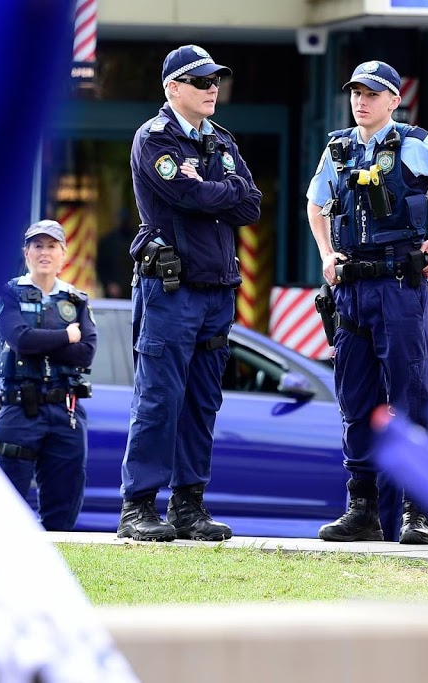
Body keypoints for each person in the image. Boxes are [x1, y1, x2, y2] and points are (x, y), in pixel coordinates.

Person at [306, 59, 428, 544]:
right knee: (355, 401)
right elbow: (316, 203)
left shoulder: (417, 144)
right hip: (351, 290)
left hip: (399, 286)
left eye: (373, 93)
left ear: (395, 100)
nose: (362, 101)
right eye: (356, 92)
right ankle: (363, 509)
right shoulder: (337, 148)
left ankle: (417, 513)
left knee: (411, 399)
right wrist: (325, 253)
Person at [117, 45, 262, 542]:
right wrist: (224, 191)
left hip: (217, 290)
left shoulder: (220, 140)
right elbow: (187, 195)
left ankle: (188, 506)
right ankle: (138, 507)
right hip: (170, 289)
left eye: (215, 80)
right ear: (172, 88)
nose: (211, 88)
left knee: (203, 402)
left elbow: (252, 207)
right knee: (159, 398)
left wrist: (215, 189)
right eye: (200, 82)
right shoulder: (154, 138)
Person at [0, 219, 98, 531]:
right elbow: (19, 339)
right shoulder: (10, 294)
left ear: (64, 254)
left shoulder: (76, 300)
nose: (44, 252)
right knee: (5, 517)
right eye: (37, 245)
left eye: (52, 246)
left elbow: (86, 353)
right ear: (26, 253)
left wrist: (40, 341)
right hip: (18, 409)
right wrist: (66, 336)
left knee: (61, 516)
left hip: (66, 413)